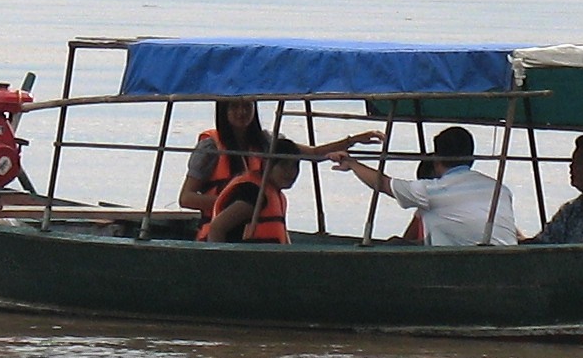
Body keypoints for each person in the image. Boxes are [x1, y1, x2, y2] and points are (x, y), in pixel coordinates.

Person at [178, 99, 378, 234]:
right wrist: (236, 206)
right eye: (234, 107)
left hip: (253, 234)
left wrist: (353, 141)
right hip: (221, 231)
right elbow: (186, 198)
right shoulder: (210, 147)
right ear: (223, 111)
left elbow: (314, 153)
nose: (242, 112)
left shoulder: (265, 141)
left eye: (247, 106)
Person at [330, 125, 518, 247]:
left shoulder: (432, 190)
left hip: (466, 262)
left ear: (436, 159)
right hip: (507, 256)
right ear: (472, 159)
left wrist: (353, 164)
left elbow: (383, 183)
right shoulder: (500, 189)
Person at [198, 136, 302, 243]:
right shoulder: (253, 193)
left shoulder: (276, 195)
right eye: (284, 165)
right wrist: (220, 257)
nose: (291, 172)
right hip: (242, 257)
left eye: (295, 166)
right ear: (267, 164)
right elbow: (217, 228)